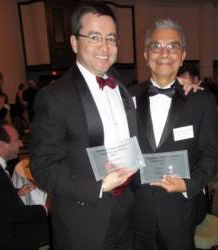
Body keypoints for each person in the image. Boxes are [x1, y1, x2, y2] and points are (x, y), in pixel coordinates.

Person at [29, 3, 139, 250]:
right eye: (94, 37)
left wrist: (183, 88)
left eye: (111, 38)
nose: (105, 47)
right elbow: (43, 167)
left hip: (128, 208)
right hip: (84, 219)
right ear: (74, 43)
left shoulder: (120, 84)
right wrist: (98, 187)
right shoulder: (54, 96)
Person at [130, 19, 218, 250]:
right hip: (135, 212)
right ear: (145, 54)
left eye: (173, 46)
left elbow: (212, 157)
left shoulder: (201, 102)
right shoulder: (125, 99)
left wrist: (188, 185)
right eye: (156, 46)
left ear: (182, 56)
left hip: (180, 212)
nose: (164, 53)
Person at [0, 120, 48, 250]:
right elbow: (16, 214)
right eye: (17, 140)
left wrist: (15, 191)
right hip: (5, 236)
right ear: (2, 145)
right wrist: (46, 208)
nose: (20, 143)